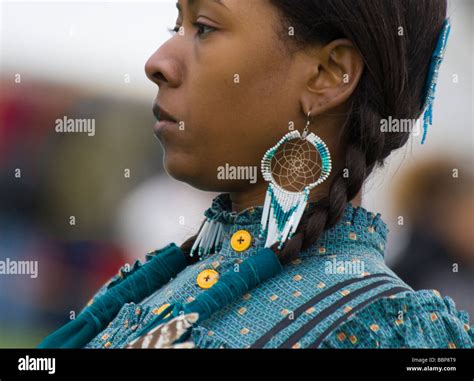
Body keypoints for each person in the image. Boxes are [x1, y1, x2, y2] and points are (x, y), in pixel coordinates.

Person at [38, 0, 473, 349]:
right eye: (177, 27)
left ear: (328, 74)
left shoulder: (382, 331)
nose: (158, 62)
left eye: (204, 27)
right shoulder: (147, 286)